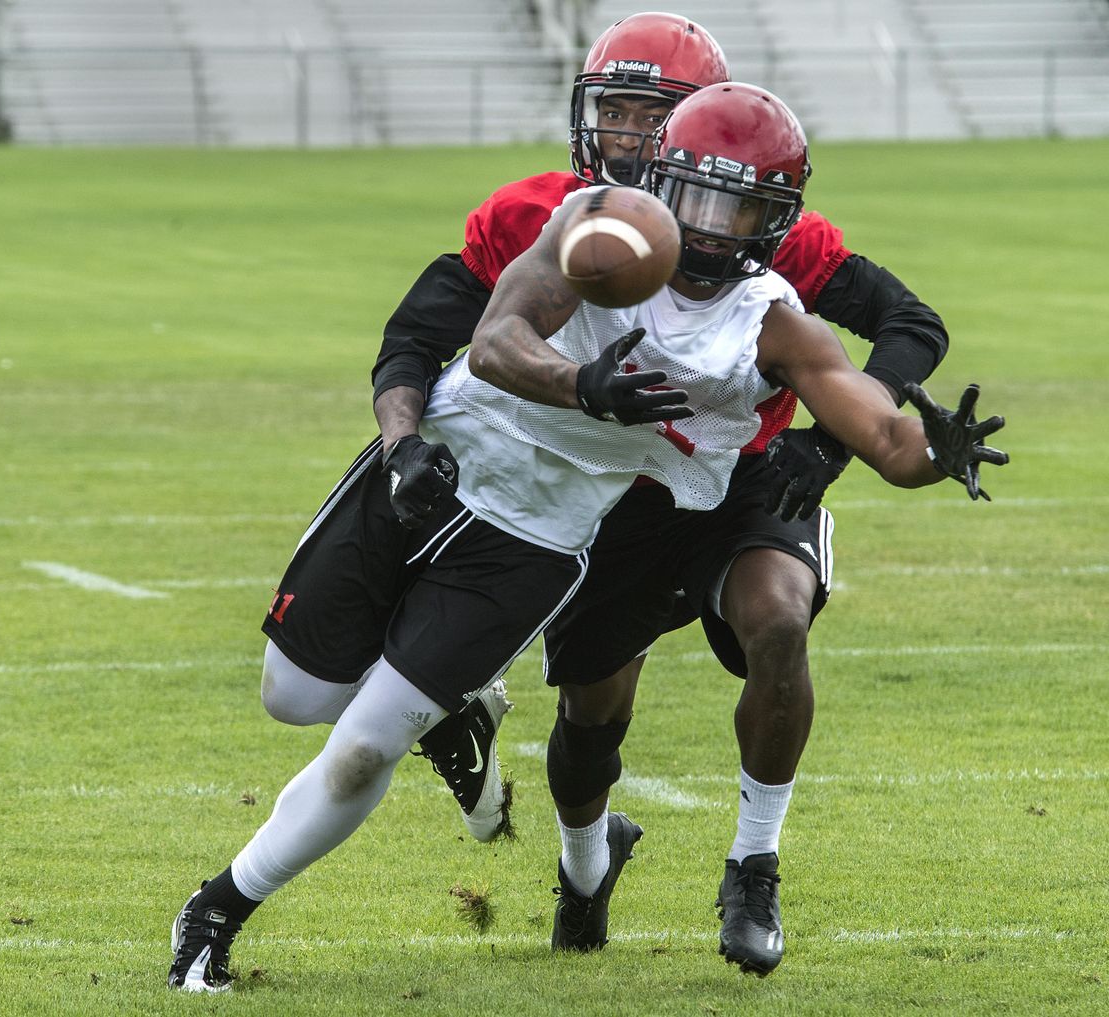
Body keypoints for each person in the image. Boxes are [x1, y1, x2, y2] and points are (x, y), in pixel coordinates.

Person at [166, 79, 1006, 993]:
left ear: (779, 222)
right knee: (293, 696)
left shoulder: (774, 323)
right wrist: (583, 388)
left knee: (368, 742)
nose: (716, 228)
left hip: (535, 537)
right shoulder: (593, 223)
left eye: (745, 207)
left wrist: (933, 452)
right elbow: (493, 341)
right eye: (701, 195)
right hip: (446, 465)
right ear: (661, 180)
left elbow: (882, 434)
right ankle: (456, 706)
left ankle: (217, 908)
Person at [364, 13, 952, 976]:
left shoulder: (766, 243)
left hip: (742, 484)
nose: (630, 137)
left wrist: (827, 448)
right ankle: (587, 868)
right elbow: (420, 335)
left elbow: (905, 329)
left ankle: (753, 867)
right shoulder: (550, 218)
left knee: (779, 623)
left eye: (653, 115)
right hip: (610, 495)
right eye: (617, 111)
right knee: (592, 716)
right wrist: (404, 442)